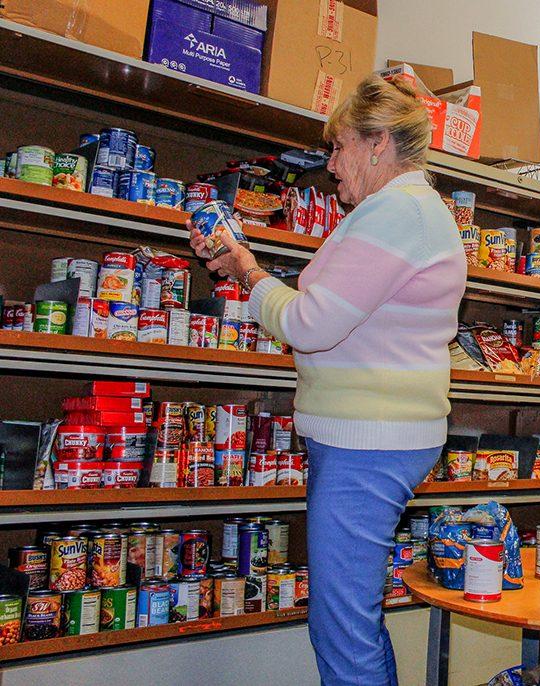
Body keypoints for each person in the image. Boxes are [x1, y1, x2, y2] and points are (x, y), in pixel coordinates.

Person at [189, 74, 467, 685]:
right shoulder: (404, 212)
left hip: (369, 440)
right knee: (354, 618)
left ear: (377, 144)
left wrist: (247, 269)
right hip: (374, 435)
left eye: (337, 146)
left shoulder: (398, 212)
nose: (330, 163)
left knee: (341, 624)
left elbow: (311, 323)